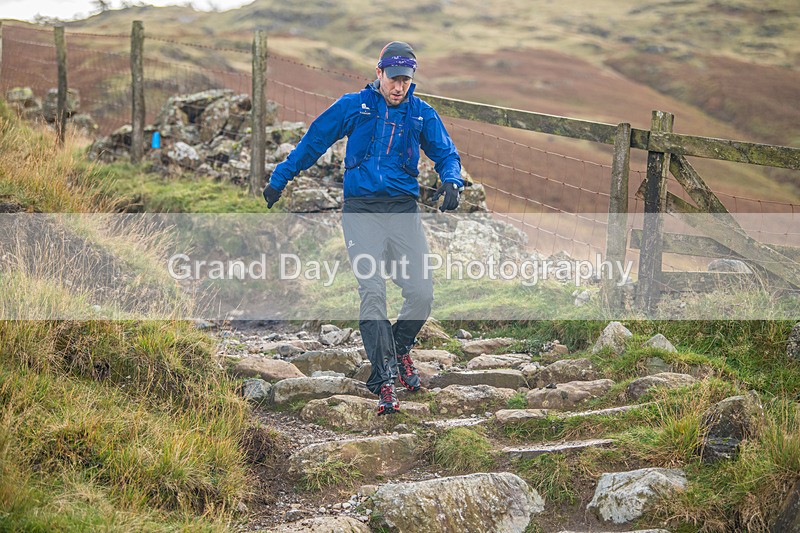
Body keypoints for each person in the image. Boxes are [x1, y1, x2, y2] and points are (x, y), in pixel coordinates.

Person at [263, 41, 463, 415]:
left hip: (403, 211)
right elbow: (314, 141)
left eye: (405, 79)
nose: (399, 86)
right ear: (379, 74)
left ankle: (400, 348)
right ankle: (384, 380)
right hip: (361, 212)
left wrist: (452, 179)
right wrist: (280, 177)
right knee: (373, 292)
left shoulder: (421, 114)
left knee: (421, 293)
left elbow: (446, 153)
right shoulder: (354, 106)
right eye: (393, 78)